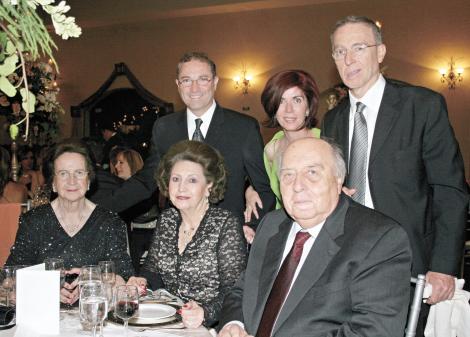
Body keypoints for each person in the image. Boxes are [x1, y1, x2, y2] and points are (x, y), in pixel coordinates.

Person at [321, 16, 468, 325]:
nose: (348, 59)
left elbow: (450, 191)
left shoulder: (421, 106)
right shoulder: (333, 120)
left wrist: (443, 266)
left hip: (409, 263)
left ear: (381, 52)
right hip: (346, 264)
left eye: (358, 48)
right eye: (339, 51)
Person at [218, 138, 412, 337]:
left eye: (312, 173)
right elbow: (242, 291)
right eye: (288, 175)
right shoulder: (271, 225)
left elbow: (374, 332)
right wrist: (234, 324)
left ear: (338, 180)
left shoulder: (379, 239)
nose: (298, 186)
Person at [98, 52, 275, 229]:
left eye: (203, 79)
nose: (194, 88)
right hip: (177, 233)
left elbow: (263, 188)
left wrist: (252, 226)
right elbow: (146, 181)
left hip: (227, 236)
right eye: (186, 80)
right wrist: (95, 210)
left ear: (215, 82)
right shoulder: (165, 128)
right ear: (178, 84)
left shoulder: (242, 127)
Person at [128, 140, 246, 329]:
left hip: (212, 326)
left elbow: (234, 291)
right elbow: (152, 270)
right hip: (169, 323)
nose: (181, 188)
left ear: (209, 185)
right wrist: (142, 282)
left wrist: (205, 312)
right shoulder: (167, 219)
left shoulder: (225, 224)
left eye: (192, 180)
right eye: (175, 179)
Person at [6, 143, 134, 305]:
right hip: (43, 315)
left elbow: (127, 278)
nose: (72, 181)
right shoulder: (33, 221)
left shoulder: (110, 222)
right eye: (63, 173)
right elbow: (11, 275)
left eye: (79, 173)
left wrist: (93, 280)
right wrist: (44, 288)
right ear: (53, 183)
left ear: (88, 180)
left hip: (96, 315)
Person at [243, 70, 321, 242]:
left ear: (308, 107)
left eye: (297, 100)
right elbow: (266, 188)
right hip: (286, 231)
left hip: (323, 231)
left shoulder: (323, 143)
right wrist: (250, 190)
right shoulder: (271, 149)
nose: (288, 110)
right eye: (281, 101)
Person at [110, 147, 159, 272]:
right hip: (132, 240)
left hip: (146, 239)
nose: (116, 166)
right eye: (116, 162)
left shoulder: (144, 190)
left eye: (121, 162)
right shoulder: (118, 188)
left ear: (132, 164)